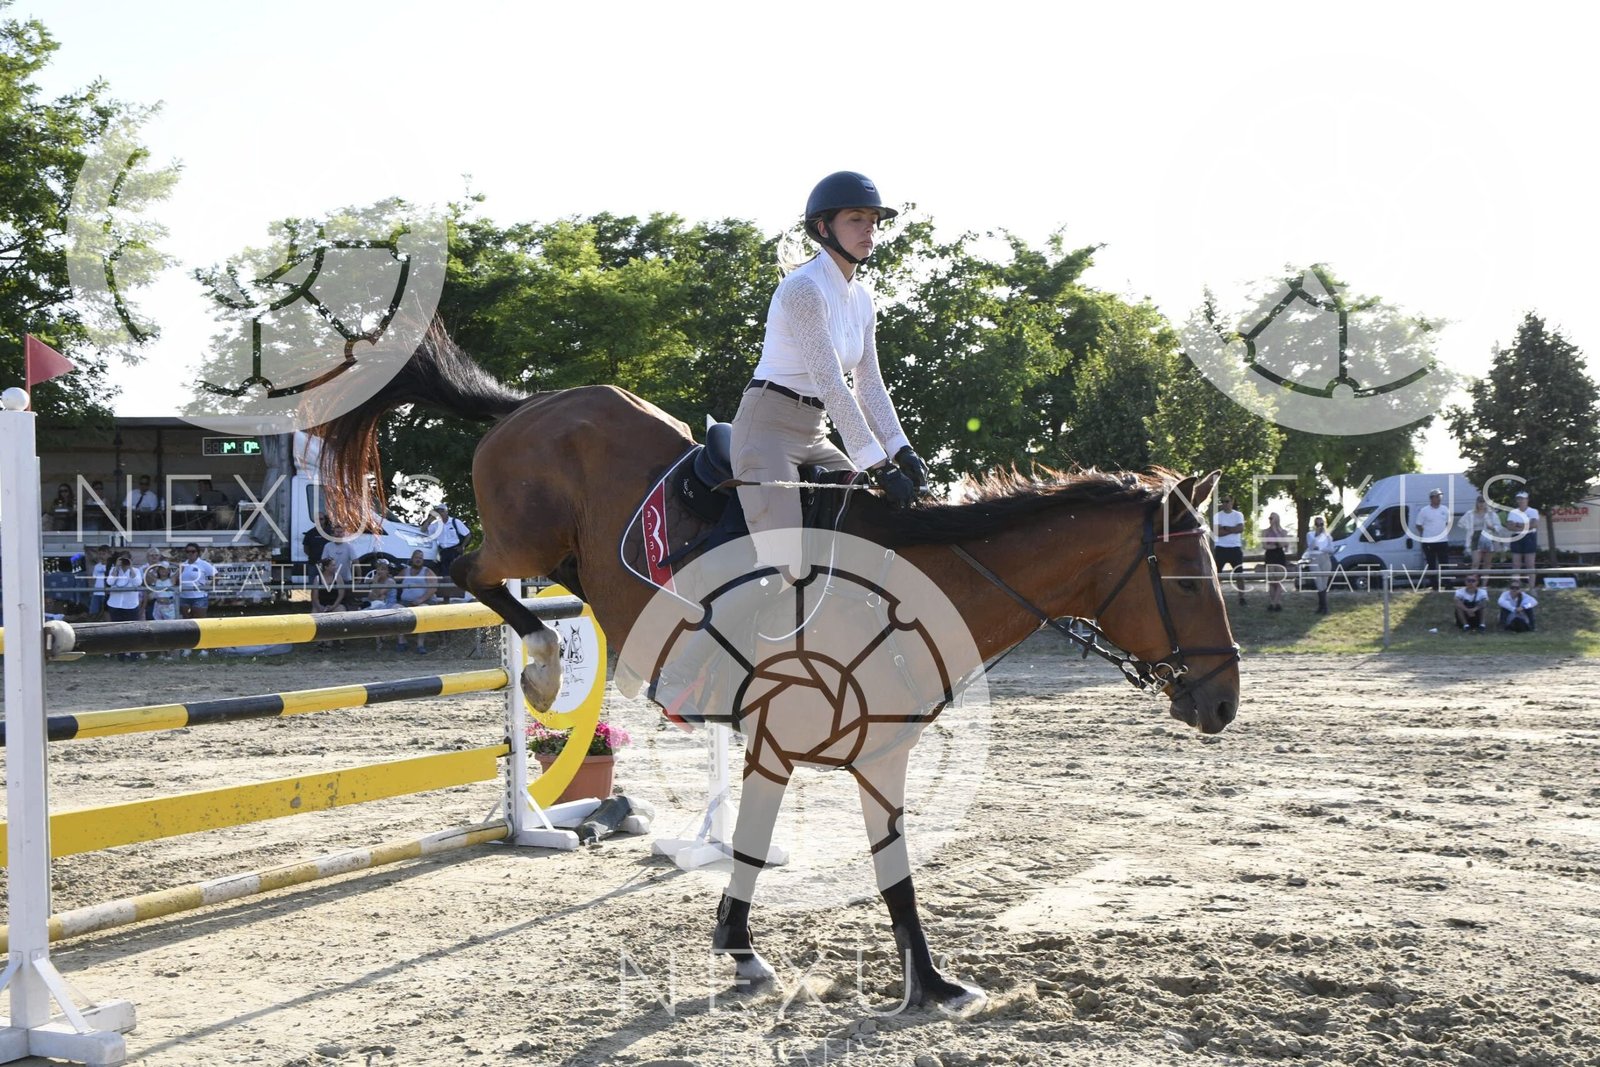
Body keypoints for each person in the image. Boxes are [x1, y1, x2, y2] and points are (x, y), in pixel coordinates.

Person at [653, 172, 929, 716]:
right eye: (857, 219)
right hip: (767, 429)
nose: (869, 230)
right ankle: (678, 677)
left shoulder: (862, 297)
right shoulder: (803, 289)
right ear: (823, 228)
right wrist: (877, 463)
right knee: (786, 565)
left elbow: (869, 384)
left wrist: (902, 450)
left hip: (816, 431)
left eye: (874, 221)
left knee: (867, 523)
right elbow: (831, 381)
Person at [395, 550, 437, 653]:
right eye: (416, 557)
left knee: (423, 611)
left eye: (420, 558)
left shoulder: (427, 571)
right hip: (405, 602)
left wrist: (421, 599)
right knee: (395, 609)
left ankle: (420, 644)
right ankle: (401, 641)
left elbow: (433, 588)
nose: (418, 560)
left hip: (424, 601)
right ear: (412, 559)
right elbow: (393, 580)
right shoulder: (405, 571)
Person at [104, 552, 143, 661]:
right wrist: (116, 567)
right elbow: (109, 582)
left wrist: (130, 568)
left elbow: (137, 583)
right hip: (115, 604)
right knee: (118, 631)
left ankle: (134, 655)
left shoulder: (136, 571)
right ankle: (120, 655)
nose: (124, 561)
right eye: (122, 559)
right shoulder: (114, 570)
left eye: (127, 559)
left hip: (131, 605)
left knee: (133, 631)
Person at [1413, 488, 1453, 591]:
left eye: (1440, 496)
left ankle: (1448, 585)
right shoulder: (1424, 510)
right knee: (1431, 564)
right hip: (1429, 542)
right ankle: (1435, 586)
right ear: (1431, 498)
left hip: (1442, 541)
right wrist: (1427, 534)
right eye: (1437, 496)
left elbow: (1448, 523)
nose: (1439, 498)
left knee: (1444, 563)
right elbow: (1418, 525)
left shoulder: (1445, 509)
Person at [1212, 496, 1247, 606]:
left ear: (1232, 502)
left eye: (1227, 501)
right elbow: (1217, 533)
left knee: (1239, 575)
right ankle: (1216, 597)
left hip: (1235, 548)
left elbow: (1240, 529)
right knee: (1217, 575)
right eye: (1222, 501)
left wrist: (1226, 528)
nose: (1224, 503)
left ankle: (1242, 598)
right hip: (1221, 548)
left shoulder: (1238, 515)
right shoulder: (1217, 516)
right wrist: (1233, 529)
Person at [1460, 495, 1503, 580]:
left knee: (1487, 563)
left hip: (1488, 537)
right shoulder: (1470, 513)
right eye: (1480, 502)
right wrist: (1469, 527)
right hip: (1475, 537)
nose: (1481, 504)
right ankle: (1473, 582)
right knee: (1475, 563)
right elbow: (1461, 523)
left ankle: (1484, 584)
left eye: (1483, 502)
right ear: (1477, 503)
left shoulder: (1491, 514)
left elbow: (1499, 527)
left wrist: (1492, 527)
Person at [426, 504, 470, 587]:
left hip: (455, 551)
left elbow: (468, 534)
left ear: (446, 512)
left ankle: (459, 591)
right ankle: (447, 593)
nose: (440, 513)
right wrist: (430, 519)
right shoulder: (435, 525)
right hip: (443, 552)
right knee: (445, 575)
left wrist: (462, 546)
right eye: (438, 511)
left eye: (442, 511)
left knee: (457, 573)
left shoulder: (455, 522)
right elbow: (423, 530)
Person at [310, 556, 348, 649]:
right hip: (321, 604)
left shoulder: (338, 577)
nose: (335, 567)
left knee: (341, 612)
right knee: (314, 614)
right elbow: (314, 597)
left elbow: (341, 595)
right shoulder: (317, 579)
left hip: (335, 604)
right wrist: (320, 607)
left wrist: (333, 607)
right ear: (326, 567)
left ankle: (342, 642)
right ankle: (320, 641)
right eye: (333, 565)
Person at [177, 543, 217, 627]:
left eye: (193, 551)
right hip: (184, 597)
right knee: (186, 622)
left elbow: (216, 575)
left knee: (200, 622)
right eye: (188, 551)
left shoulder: (203, 564)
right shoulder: (183, 565)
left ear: (197, 552)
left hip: (199, 597)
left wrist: (210, 587)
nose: (190, 553)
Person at [1504, 490, 1539, 586]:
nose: (1520, 501)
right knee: (1516, 564)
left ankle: (1532, 587)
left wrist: (1518, 524)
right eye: (1518, 499)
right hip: (1516, 536)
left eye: (1522, 499)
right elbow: (1510, 526)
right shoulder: (1513, 512)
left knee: (1530, 564)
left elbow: (1534, 525)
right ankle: (1515, 586)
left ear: (1527, 499)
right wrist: (1526, 525)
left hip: (1529, 537)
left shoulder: (1533, 511)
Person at [1261, 512, 1292, 612]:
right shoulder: (1265, 532)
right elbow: (1265, 546)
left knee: (1278, 581)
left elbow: (1284, 544)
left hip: (1279, 556)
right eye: (1269, 518)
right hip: (1270, 556)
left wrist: (1275, 531)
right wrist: (1275, 545)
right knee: (1271, 581)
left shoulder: (1283, 532)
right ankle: (1275, 602)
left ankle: (1274, 603)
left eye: (1272, 518)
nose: (1270, 520)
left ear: (1277, 519)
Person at [1304, 514, 1334, 615]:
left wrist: (1322, 549)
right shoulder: (1310, 535)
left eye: (1321, 524)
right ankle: (1325, 607)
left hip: (1325, 559)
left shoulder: (1328, 536)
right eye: (1317, 524)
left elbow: (1331, 549)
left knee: (1324, 584)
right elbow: (1311, 546)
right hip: (1314, 559)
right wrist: (1317, 535)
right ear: (1314, 525)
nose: (1319, 526)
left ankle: (1321, 607)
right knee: (1319, 584)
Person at [320, 522, 359, 587]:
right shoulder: (327, 546)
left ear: (344, 534)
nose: (339, 534)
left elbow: (356, 561)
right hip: (332, 580)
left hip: (346, 579)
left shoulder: (349, 546)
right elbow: (323, 563)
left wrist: (359, 577)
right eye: (337, 532)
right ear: (333, 534)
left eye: (341, 532)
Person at [86, 544, 111, 620]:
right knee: (93, 612)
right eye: (100, 554)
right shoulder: (97, 566)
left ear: (109, 554)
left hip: (107, 593)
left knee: (106, 613)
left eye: (103, 554)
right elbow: (94, 578)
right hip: (96, 592)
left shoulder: (112, 566)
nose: (101, 556)